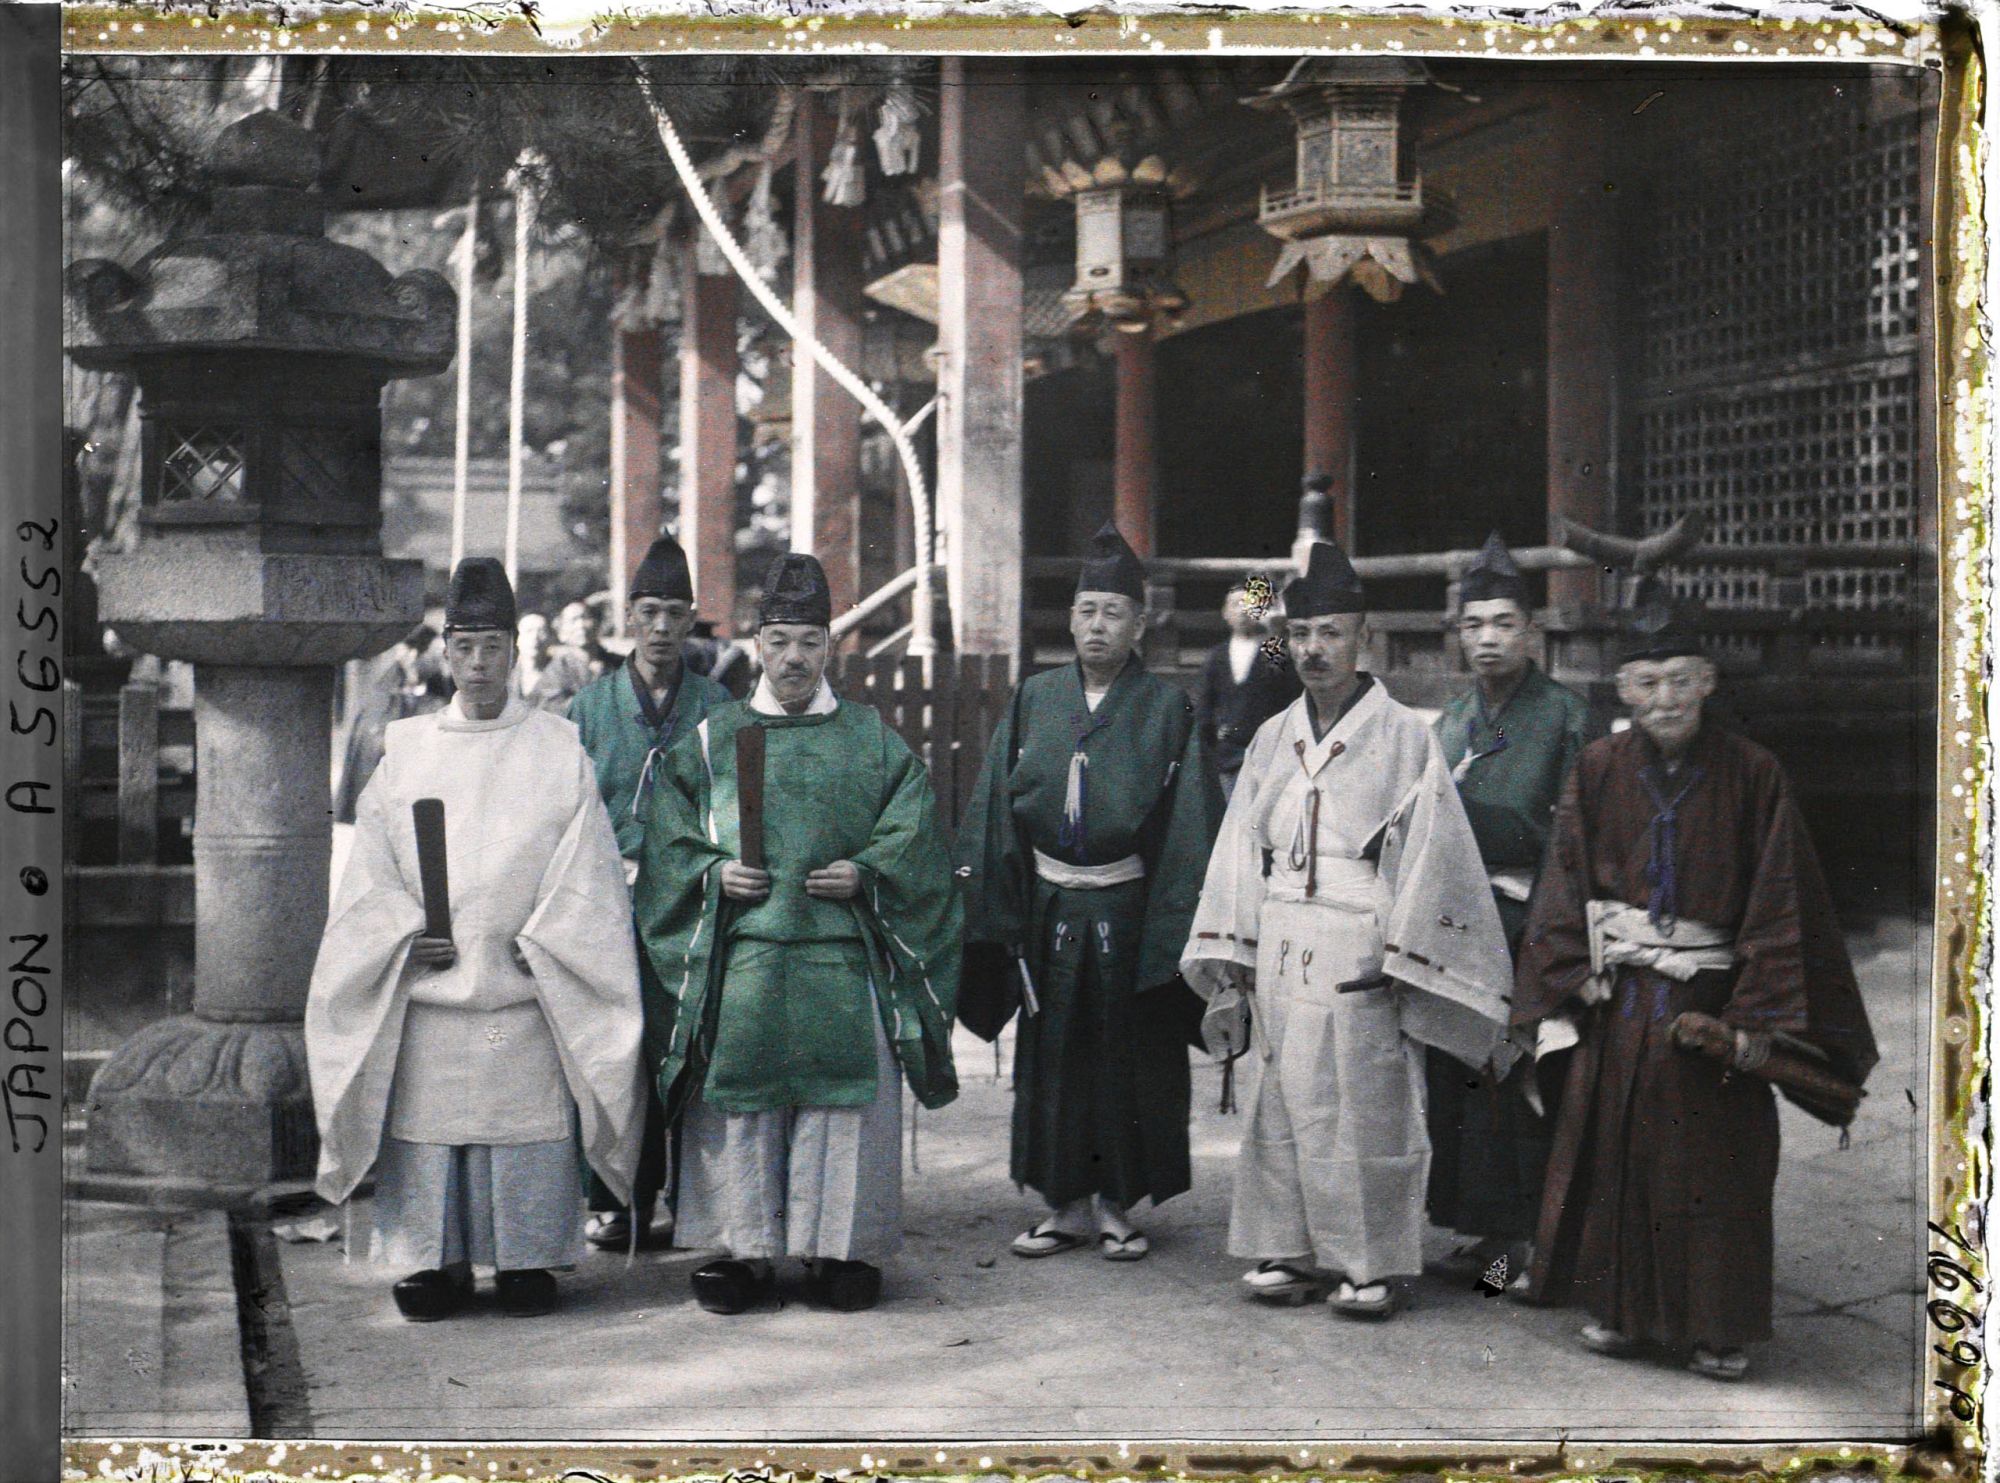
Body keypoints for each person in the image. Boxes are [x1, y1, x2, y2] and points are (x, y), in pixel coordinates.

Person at [1512, 612, 1878, 1381]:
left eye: (1682, 680)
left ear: (1708, 681)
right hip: (1624, 994)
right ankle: (1622, 1312)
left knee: (1718, 1164)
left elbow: (1783, 896)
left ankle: (1718, 1328)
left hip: (1712, 995)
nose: (1666, 698)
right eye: (1648, 682)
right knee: (1620, 1151)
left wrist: (1750, 1016)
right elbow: (1565, 873)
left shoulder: (1754, 771)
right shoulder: (1598, 767)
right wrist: (1574, 967)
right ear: (1623, 688)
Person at [305, 557, 644, 1322]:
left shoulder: (558, 748)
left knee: (524, 1131)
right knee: (433, 1134)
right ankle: (437, 1261)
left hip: (525, 991)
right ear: (446, 653)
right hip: (436, 991)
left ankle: (528, 1256)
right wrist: (403, 933)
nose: (480, 662)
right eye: (465, 647)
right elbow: (371, 870)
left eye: (494, 646)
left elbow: (587, 867)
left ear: (514, 653)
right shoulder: (408, 749)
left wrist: (553, 936)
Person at [1180, 539, 1512, 1319]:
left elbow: (1434, 852)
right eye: (1299, 634)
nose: (1313, 649)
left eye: (1331, 632)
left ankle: (1371, 1262)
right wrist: (1234, 952)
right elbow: (1239, 848)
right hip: (1281, 929)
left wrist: (1401, 950)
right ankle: (1287, 1248)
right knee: (1278, 1098)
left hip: (1360, 932)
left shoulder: (1403, 735)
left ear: (1363, 637)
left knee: (1364, 1102)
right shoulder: (1272, 735)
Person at [635, 552, 962, 1315]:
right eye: (779, 640)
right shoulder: (714, 739)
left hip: (839, 955)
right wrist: (714, 873)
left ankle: (835, 1249)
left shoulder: (869, 739)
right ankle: (742, 1251)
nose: (793, 657)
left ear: (831, 647)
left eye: (810, 641)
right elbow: (669, 843)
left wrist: (868, 871)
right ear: (757, 644)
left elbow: (914, 831)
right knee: (741, 1101)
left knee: (841, 1108)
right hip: (747, 951)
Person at [958, 521, 1223, 1265]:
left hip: (1127, 909)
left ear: (1139, 624)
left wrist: (1175, 930)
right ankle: (1064, 1204)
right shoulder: (1034, 699)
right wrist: (1000, 913)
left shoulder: (1167, 708)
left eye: (1113, 612)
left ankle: (1116, 1205)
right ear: (1070, 621)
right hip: (1049, 909)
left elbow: (1190, 831)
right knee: (1053, 1057)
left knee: (1125, 1057)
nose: (1098, 625)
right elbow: (994, 814)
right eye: (1086, 611)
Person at [1424, 533, 1594, 1287]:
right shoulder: (1452, 719)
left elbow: (1575, 838)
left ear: (1531, 630)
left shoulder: (1566, 715)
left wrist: (1551, 938)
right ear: (1459, 635)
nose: (1487, 638)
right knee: (1458, 1077)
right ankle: (1480, 1231)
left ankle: (1524, 1243)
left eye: (1503, 623)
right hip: (1459, 918)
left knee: (1518, 1083)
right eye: (1474, 625)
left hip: (1532, 919)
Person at [566, 536, 731, 1252]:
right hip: (609, 901)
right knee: (614, 1047)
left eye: (674, 613)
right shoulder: (589, 706)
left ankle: (690, 1196)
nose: (661, 628)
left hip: (690, 900)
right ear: (628, 616)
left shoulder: (717, 704)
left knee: (687, 1042)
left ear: (692, 619)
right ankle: (615, 1197)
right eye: (649, 612)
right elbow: (565, 813)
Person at [1194, 578, 1301, 801]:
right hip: (1227, 757)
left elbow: (1292, 696)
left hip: (1269, 755)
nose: (1243, 610)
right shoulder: (1216, 657)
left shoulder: (1273, 650)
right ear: (1225, 612)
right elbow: (1204, 709)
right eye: (1235, 604)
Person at [333, 624, 450, 825]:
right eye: (434, 655)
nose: (440, 662)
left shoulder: (439, 698)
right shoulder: (381, 698)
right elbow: (370, 745)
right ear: (412, 655)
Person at [515, 612, 594, 714]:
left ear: (550, 637)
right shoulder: (505, 674)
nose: (535, 637)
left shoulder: (567, 669)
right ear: (516, 637)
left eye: (541, 631)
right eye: (528, 631)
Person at [558, 599, 618, 678]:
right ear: (562, 633)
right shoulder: (556, 671)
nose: (581, 625)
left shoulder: (620, 665)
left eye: (585, 617)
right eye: (573, 620)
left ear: (596, 624)